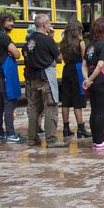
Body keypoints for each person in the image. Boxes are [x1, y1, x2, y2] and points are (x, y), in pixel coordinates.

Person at [24, 14, 66, 148]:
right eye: (49, 23)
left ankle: (32, 138)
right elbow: (59, 57)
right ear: (43, 25)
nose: (50, 25)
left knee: (34, 108)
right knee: (51, 107)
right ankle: (51, 139)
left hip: (32, 76)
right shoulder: (47, 40)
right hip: (46, 76)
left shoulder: (30, 39)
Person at [82, 17, 104, 150]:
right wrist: (91, 79)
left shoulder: (90, 44)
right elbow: (101, 64)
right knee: (101, 111)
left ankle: (97, 140)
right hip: (101, 79)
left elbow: (84, 64)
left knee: (94, 111)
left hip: (92, 77)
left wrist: (87, 79)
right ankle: (100, 142)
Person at [0, 12, 24, 143]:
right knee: (9, 103)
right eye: (9, 21)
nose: (12, 24)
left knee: (0, 103)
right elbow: (16, 54)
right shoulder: (3, 37)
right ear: (1, 22)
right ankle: (10, 133)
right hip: (5, 74)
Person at [59, 19, 90, 139]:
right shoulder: (80, 42)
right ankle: (81, 127)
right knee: (78, 99)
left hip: (66, 69)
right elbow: (84, 59)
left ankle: (66, 127)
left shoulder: (63, 42)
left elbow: (61, 57)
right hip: (77, 69)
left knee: (65, 100)